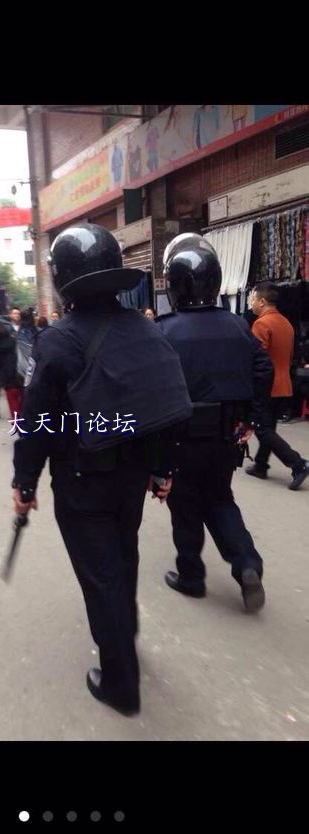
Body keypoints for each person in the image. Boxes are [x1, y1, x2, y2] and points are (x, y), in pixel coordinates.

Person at [12, 223, 192, 716]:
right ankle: (124, 638)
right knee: (123, 557)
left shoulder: (56, 341)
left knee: (101, 575)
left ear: (62, 279)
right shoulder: (146, 329)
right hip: (132, 476)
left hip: (81, 480)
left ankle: (120, 682)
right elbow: (164, 406)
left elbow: (36, 424)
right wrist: (162, 470)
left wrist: (24, 483)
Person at [158, 234, 274, 612]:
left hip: (181, 437)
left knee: (185, 505)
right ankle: (247, 563)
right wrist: (251, 417)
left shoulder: (163, 330)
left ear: (175, 286)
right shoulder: (238, 325)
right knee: (221, 498)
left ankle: (191, 577)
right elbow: (263, 369)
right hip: (226, 436)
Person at [245, 282, 308, 491]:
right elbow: (289, 357)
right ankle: (261, 465)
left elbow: (258, 360)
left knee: (261, 429)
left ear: (262, 302)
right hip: (284, 385)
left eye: (253, 299)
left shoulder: (261, 324)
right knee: (268, 427)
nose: (252, 303)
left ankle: (298, 463)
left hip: (266, 386)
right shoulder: (286, 323)